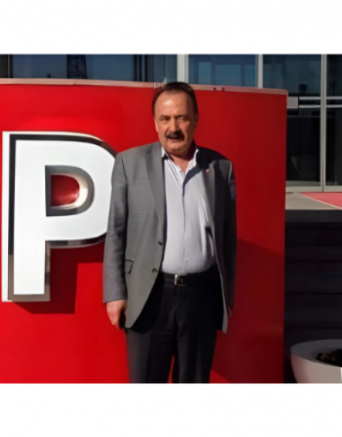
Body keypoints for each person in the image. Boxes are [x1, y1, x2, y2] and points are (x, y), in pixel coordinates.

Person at [102, 81, 237, 383]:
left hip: (202, 297)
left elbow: (228, 238)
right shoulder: (129, 164)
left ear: (196, 119)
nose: (173, 128)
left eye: (181, 118)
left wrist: (227, 293)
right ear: (155, 122)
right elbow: (116, 233)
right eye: (165, 119)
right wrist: (114, 294)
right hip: (149, 297)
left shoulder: (220, 168)